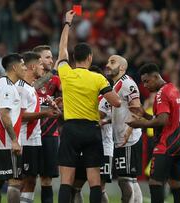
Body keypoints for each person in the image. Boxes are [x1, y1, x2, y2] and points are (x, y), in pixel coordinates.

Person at [56, 10, 121, 203]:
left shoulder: (66, 73)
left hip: (71, 129)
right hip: (92, 130)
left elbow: (61, 51)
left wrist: (67, 24)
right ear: (90, 58)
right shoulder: (98, 77)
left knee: (66, 181)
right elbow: (116, 101)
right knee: (94, 181)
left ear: (74, 57)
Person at [127, 63, 180, 203]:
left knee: (155, 183)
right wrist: (145, 116)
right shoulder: (172, 89)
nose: (145, 86)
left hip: (166, 144)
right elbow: (167, 118)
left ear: (156, 76)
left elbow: (162, 121)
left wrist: (140, 123)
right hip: (179, 144)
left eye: (147, 81)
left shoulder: (161, 93)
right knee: (175, 184)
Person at [16, 51, 60, 203]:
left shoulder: (31, 88)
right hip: (25, 140)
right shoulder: (22, 87)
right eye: (41, 63)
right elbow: (20, 116)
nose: (43, 67)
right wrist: (45, 113)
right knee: (23, 180)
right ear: (33, 66)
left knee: (31, 180)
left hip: (34, 140)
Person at [0, 53, 26, 203]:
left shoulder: (0, 83)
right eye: (22, 65)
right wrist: (15, 140)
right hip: (8, 143)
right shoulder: (8, 87)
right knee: (15, 181)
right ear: (15, 67)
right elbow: (4, 115)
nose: (25, 68)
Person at [105, 55, 143, 203]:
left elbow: (137, 108)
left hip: (128, 139)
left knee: (124, 180)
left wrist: (128, 132)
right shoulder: (116, 85)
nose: (108, 65)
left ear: (122, 67)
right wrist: (107, 120)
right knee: (130, 179)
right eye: (108, 62)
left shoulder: (127, 83)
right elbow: (124, 111)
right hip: (123, 138)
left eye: (112, 62)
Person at [72, 66, 114, 203]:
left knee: (100, 188)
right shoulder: (84, 97)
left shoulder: (106, 97)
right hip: (84, 147)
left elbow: (97, 117)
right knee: (75, 186)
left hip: (103, 148)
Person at [33, 45, 62, 203]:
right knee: (27, 179)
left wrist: (60, 104)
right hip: (29, 135)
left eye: (52, 57)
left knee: (46, 180)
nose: (51, 60)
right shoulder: (28, 79)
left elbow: (66, 101)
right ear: (38, 60)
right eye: (48, 57)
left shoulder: (56, 80)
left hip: (50, 134)